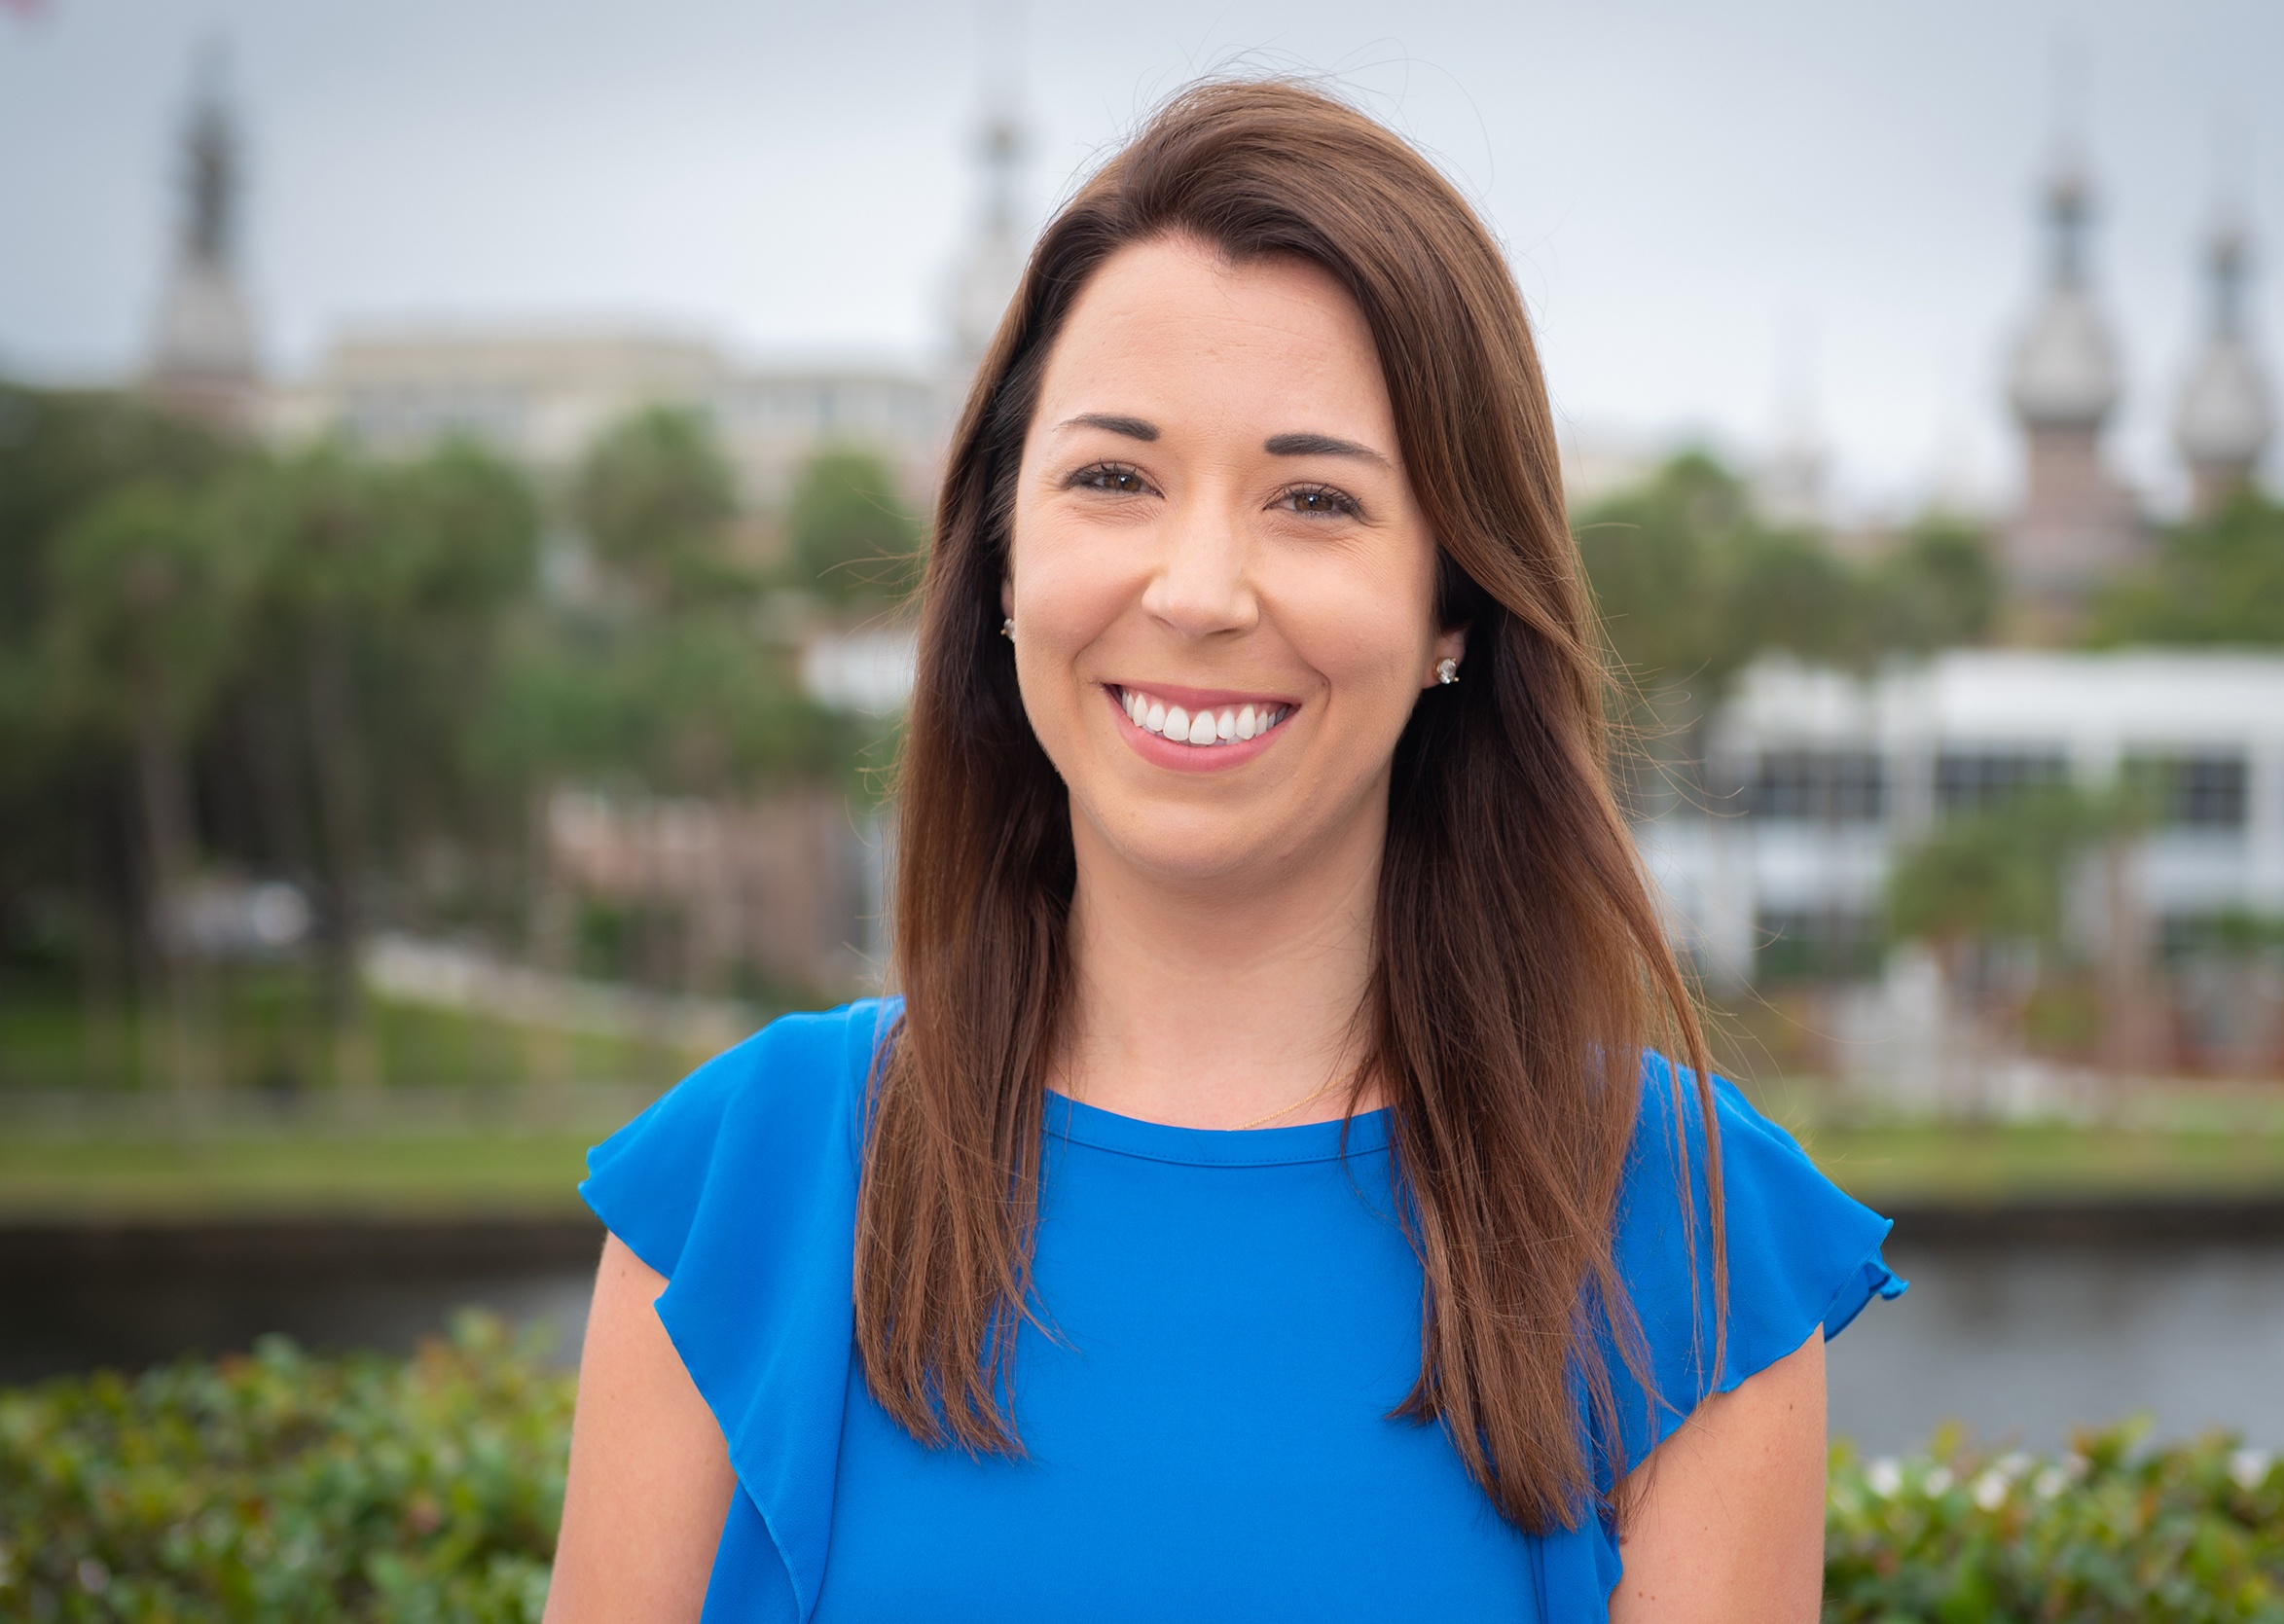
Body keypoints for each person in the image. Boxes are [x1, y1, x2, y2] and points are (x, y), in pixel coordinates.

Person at [544, 79, 1902, 1624]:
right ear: (1000, 556)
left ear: (1454, 604)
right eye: (1114, 477)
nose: (1197, 590)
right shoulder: (743, 1196)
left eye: (1314, 498)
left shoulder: (1687, 1234)